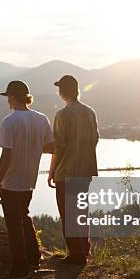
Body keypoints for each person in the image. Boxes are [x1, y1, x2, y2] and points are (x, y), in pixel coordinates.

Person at [0, 80, 54, 279]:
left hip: (11, 180)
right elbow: (50, 147)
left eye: (8, 97)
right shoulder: (42, 118)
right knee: (24, 215)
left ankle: (19, 268)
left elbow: (6, 155)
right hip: (30, 178)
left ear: (12, 97)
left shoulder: (9, 121)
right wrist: (33, 147)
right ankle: (34, 257)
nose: (8, 101)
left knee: (13, 224)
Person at [48, 75, 99, 266]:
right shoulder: (90, 112)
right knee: (81, 211)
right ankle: (84, 250)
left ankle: (76, 255)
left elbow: (59, 146)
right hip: (85, 170)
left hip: (66, 171)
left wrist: (51, 171)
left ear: (62, 92)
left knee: (68, 213)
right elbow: (95, 139)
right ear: (77, 90)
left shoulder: (62, 115)